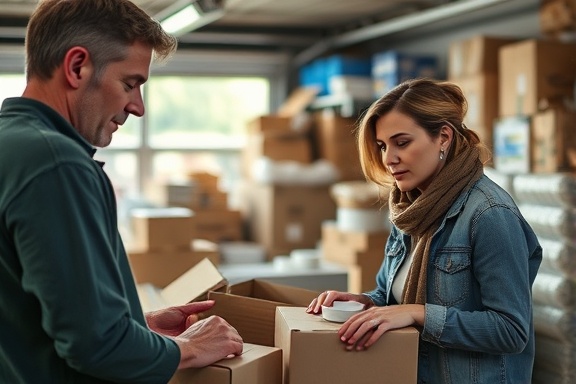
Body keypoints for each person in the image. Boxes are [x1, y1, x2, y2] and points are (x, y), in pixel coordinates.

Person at [0, 0, 242, 383]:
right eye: (130, 84)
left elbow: (26, 315)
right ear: (77, 66)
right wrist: (191, 347)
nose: (138, 107)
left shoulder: (11, 145)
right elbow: (96, 346)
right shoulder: (56, 163)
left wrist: (135, 325)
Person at [307, 78, 542, 383]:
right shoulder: (410, 210)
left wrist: (419, 313)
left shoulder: (490, 214)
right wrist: (364, 303)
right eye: (382, 146)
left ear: (443, 137)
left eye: (402, 142)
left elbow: (511, 331)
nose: (388, 158)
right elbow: (389, 295)